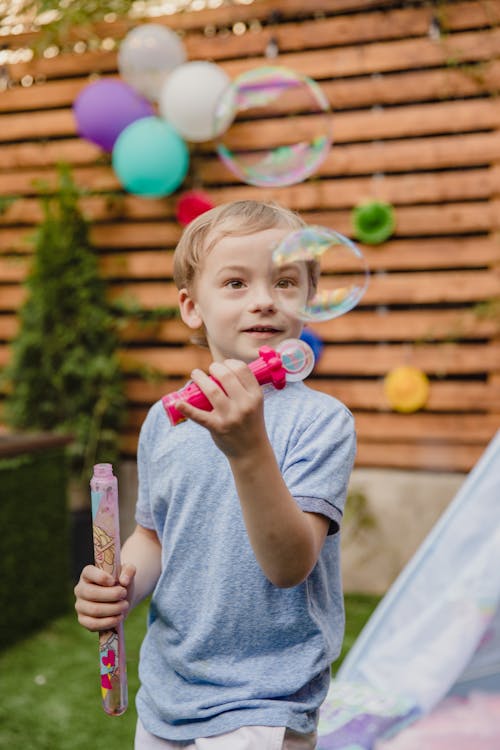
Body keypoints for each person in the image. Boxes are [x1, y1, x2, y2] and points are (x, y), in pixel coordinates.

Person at [74, 200, 356, 750]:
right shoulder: (167, 417)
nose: (263, 300)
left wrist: (249, 451)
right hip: (168, 691)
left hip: (267, 698)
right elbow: (153, 537)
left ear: (309, 299)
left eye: (284, 281)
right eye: (234, 282)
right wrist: (119, 588)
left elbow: (290, 565)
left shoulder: (322, 422)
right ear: (190, 307)